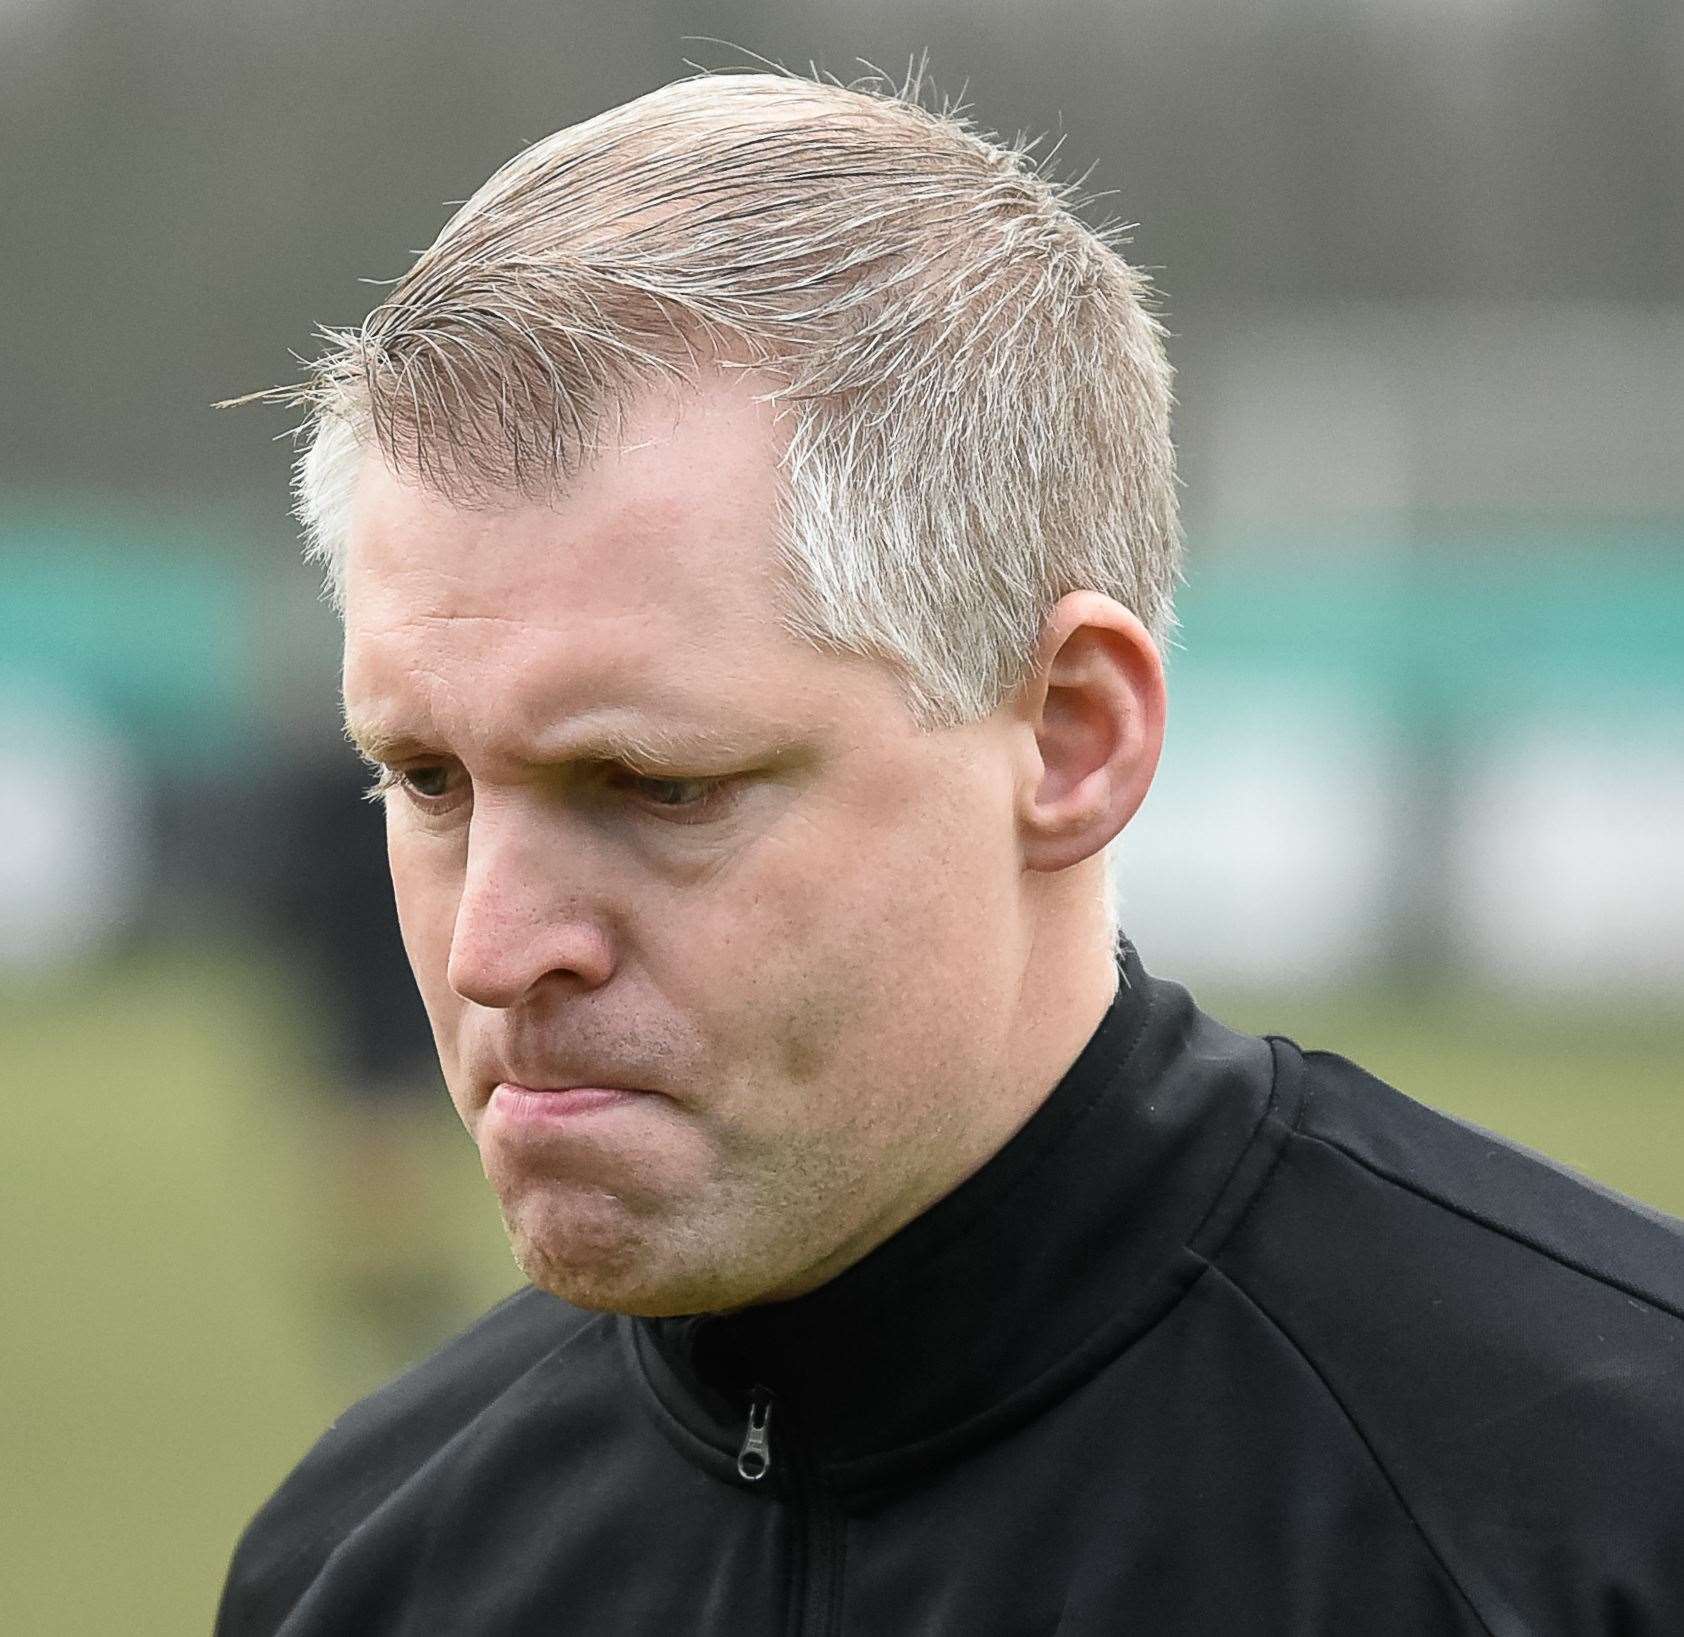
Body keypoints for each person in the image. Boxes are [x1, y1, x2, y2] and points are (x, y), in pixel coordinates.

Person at [217, 72, 1684, 1635]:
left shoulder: (1602, 1513)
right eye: (428, 778)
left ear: (1069, 737)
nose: (490, 949)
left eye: (656, 784)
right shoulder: (356, 1563)